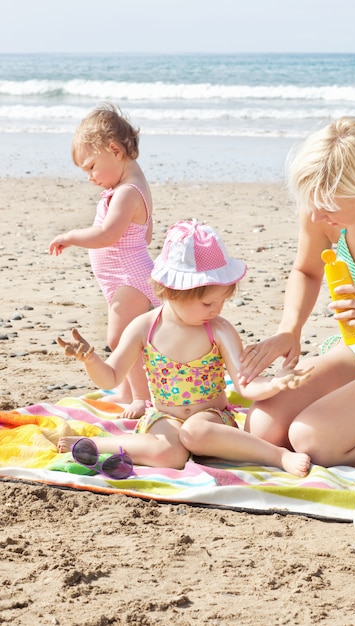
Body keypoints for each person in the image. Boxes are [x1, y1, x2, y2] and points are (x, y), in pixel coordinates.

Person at [57, 219, 312, 477]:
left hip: (211, 419)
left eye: (221, 301)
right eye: (207, 303)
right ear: (172, 292)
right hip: (165, 418)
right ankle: (98, 445)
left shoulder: (219, 329)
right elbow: (110, 377)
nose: (216, 309)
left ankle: (278, 455)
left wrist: (276, 383)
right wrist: (90, 360)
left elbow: (245, 384)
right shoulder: (144, 327)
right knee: (169, 455)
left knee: (195, 433)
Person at [239, 115, 355, 468]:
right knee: (261, 429)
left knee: (313, 439)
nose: (317, 215)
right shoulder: (322, 213)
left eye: (329, 205)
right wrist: (290, 330)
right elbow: (306, 271)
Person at [49, 103, 159, 419]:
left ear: (114, 149)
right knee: (125, 337)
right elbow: (146, 234)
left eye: (91, 166)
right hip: (123, 277)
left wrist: (71, 236)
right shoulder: (132, 187)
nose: (90, 177)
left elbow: (107, 235)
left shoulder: (126, 192)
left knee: (121, 339)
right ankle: (126, 390)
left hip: (130, 278)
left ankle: (141, 397)